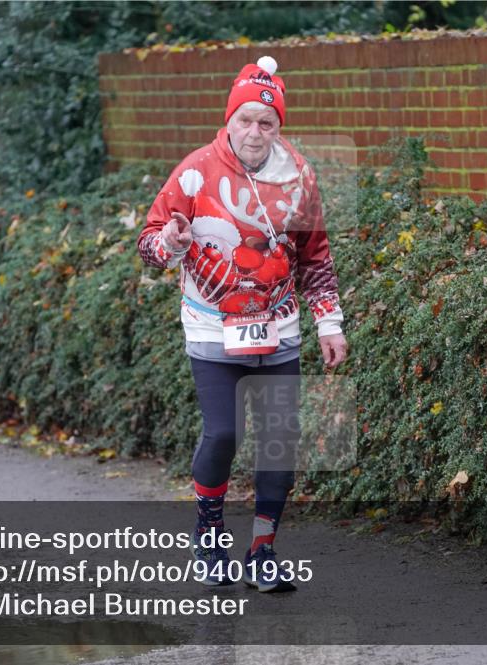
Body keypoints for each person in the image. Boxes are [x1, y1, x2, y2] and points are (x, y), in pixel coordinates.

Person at [136, 55, 347, 592]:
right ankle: (209, 537)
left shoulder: (299, 175)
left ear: (279, 126)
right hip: (212, 326)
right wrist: (171, 242)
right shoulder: (195, 171)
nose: (255, 132)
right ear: (229, 119)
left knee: (279, 440)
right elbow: (148, 246)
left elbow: (314, 256)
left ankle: (262, 551)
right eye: (246, 120)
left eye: (267, 123)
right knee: (224, 432)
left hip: (279, 326)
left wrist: (329, 323)